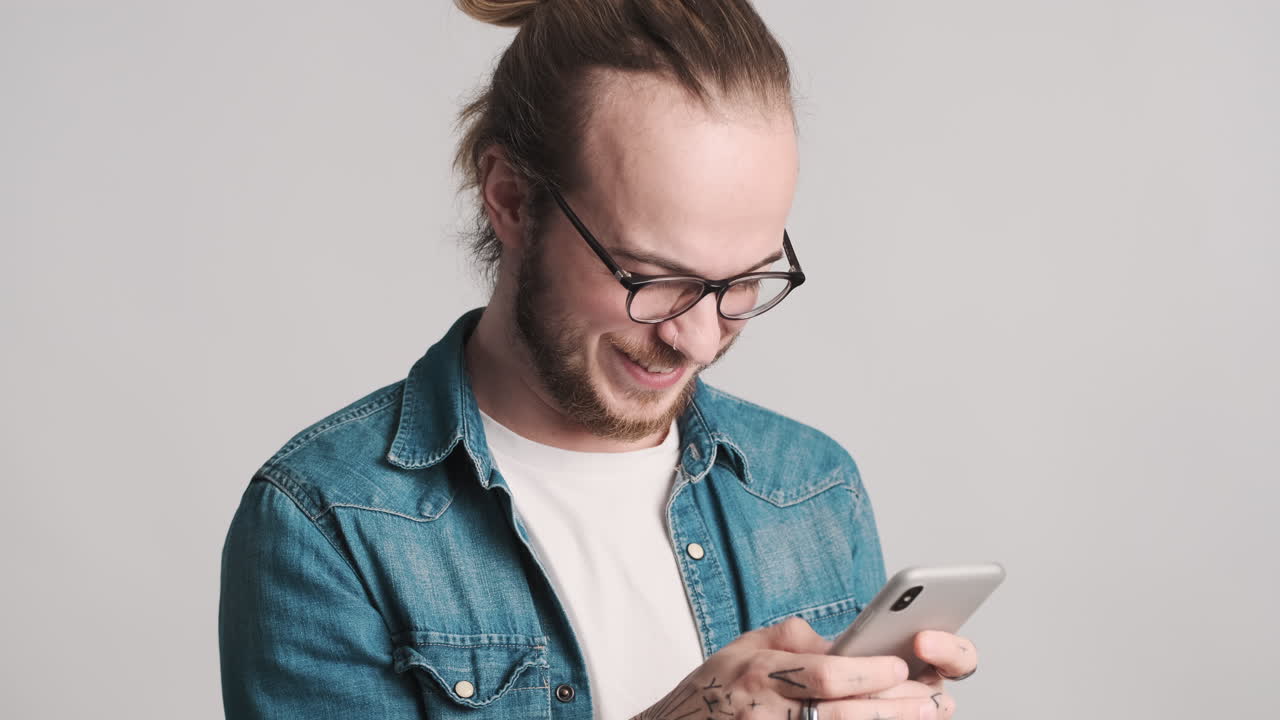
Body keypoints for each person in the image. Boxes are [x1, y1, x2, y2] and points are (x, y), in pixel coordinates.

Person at [218, 1, 980, 718]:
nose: (701, 340)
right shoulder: (327, 524)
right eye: (653, 278)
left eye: (744, 281)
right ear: (512, 200)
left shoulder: (812, 488)